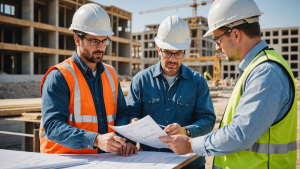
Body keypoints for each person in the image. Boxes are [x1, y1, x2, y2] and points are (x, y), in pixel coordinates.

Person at [159, 0, 297, 168]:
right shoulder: (255, 69)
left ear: (236, 35)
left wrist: (190, 144)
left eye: (217, 39)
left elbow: (240, 134)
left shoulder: (266, 72)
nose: (217, 47)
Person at [39, 4, 138, 156]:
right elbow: (53, 126)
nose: (100, 47)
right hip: (64, 161)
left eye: (104, 41)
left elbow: (122, 113)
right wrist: (96, 140)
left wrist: (125, 140)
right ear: (77, 40)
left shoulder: (111, 73)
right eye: (93, 41)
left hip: (105, 160)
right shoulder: (59, 76)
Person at [123, 15, 216, 169]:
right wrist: (133, 123)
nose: (173, 59)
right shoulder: (140, 80)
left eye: (178, 53)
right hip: (152, 162)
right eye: (167, 53)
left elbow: (207, 120)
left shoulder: (198, 82)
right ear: (159, 49)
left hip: (190, 164)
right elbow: (130, 114)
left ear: (184, 51)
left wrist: (186, 131)